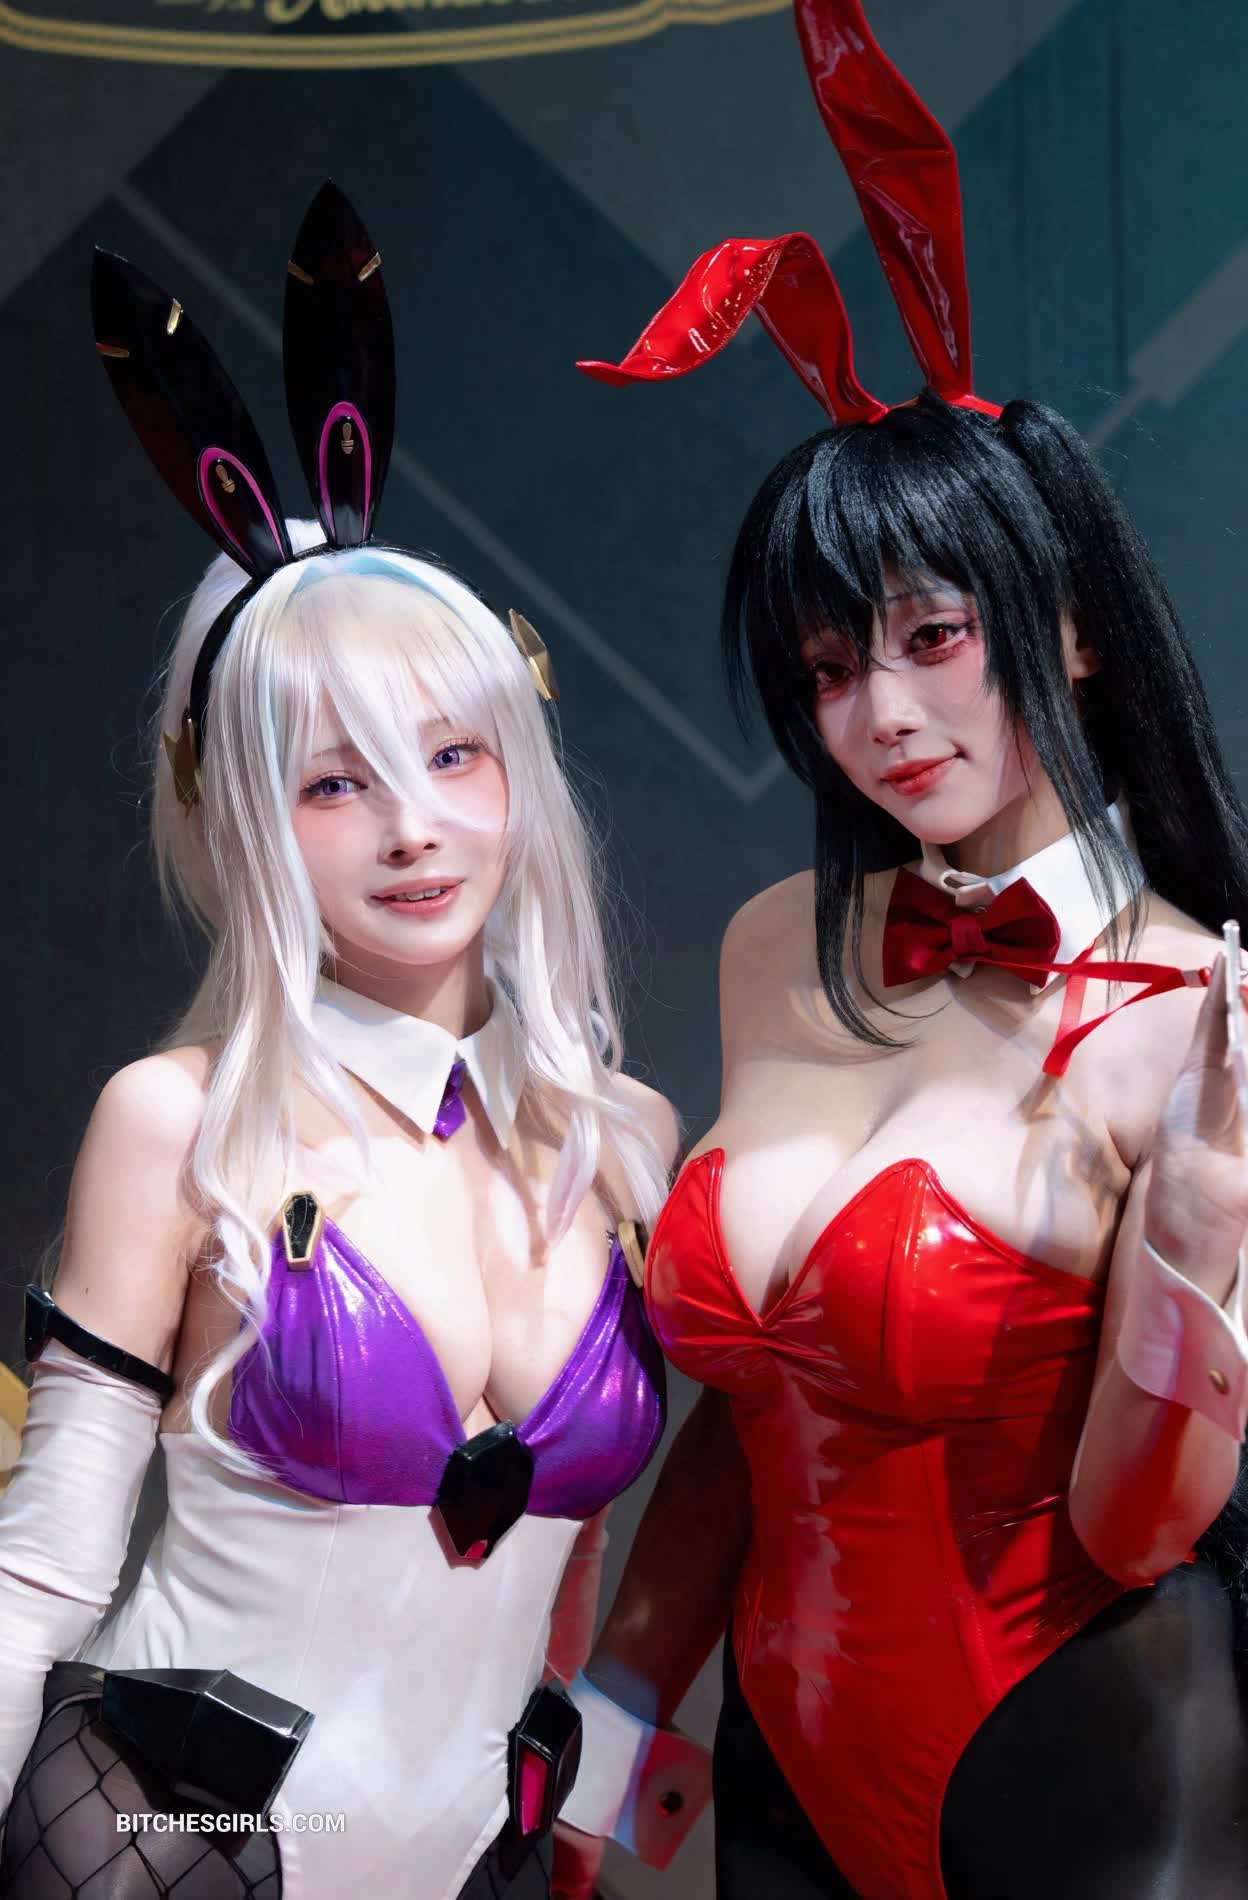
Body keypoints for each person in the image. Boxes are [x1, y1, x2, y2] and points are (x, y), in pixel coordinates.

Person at [556, 3, 1248, 1896]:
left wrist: (1198, 1228)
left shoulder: (1202, 1018)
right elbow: (759, 1397)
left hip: (1088, 1761)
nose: (877, 714)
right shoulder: (777, 946)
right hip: (776, 1765)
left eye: (931, 637)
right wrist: (620, 1701)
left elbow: (1133, 1532)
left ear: (1070, 628)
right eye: (825, 665)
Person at [0, 184, 678, 1900]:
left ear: (518, 768)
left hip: (476, 1852)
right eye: (332, 781)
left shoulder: (623, 1134)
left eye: (452, 756)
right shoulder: (176, 1119)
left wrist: (591, 1792)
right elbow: (48, 1565)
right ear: (242, 820)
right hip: (167, 1843)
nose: (412, 827)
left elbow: (572, 1568)